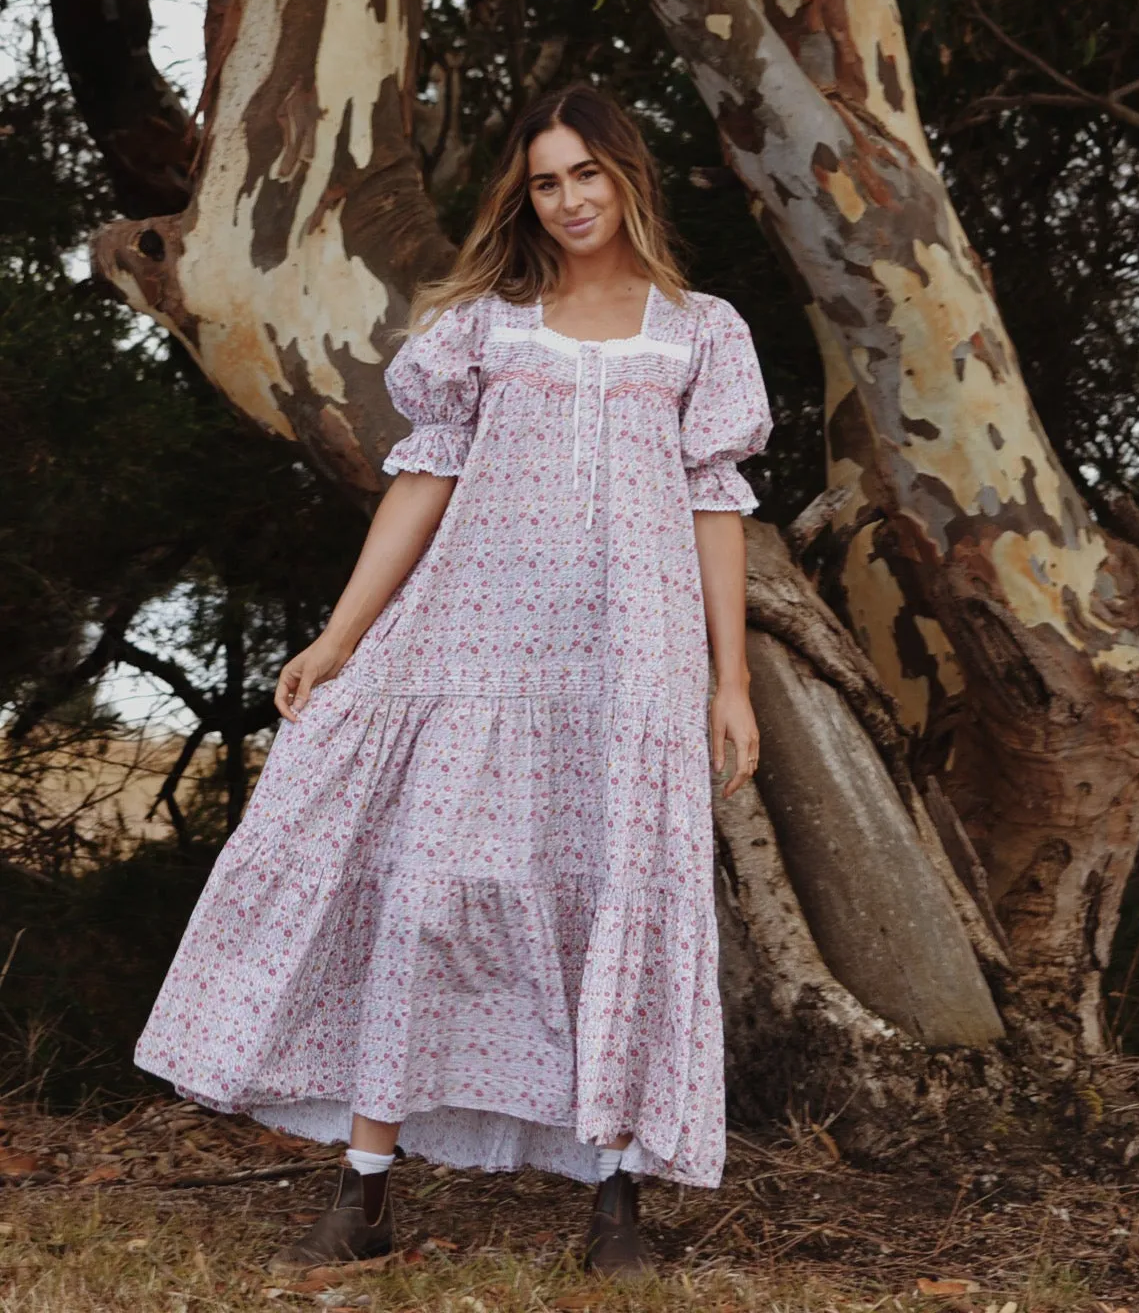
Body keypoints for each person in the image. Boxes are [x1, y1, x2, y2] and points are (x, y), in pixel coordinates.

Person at [134, 82, 773, 1280]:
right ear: (523, 197)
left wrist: (728, 682)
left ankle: (616, 1195)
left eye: (588, 173)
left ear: (627, 176)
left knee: (619, 895)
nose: (570, 199)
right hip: (471, 647)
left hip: (631, 662)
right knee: (427, 895)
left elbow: (713, 505)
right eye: (546, 180)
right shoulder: (486, 324)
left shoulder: (704, 331)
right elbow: (422, 482)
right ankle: (364, 1188)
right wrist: (336, 639)